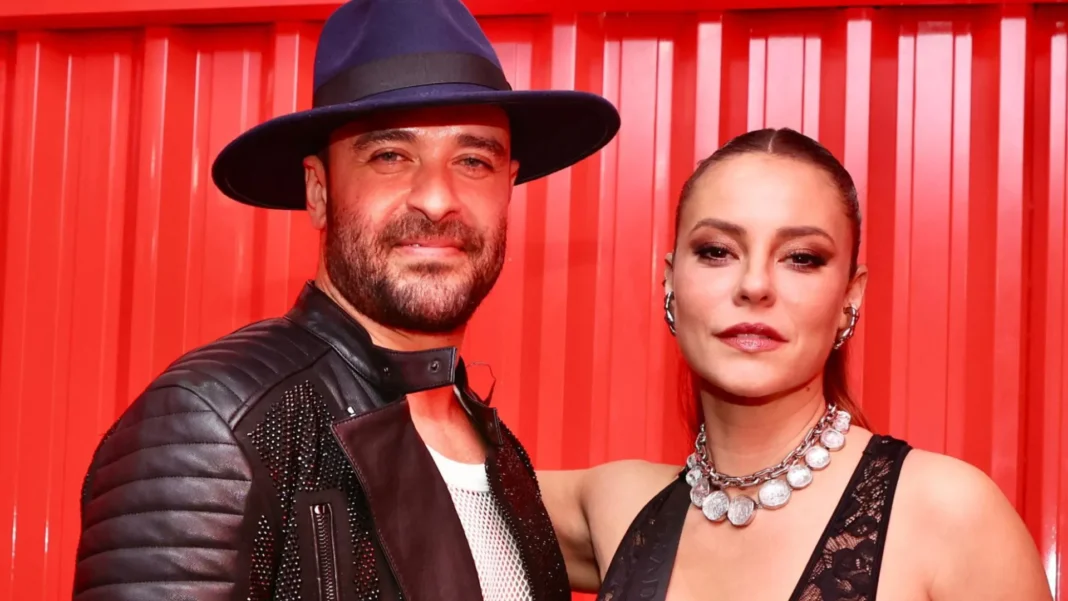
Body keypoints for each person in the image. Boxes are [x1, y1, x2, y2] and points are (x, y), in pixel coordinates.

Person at [70, 0, 619, 600]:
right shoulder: (216, 424)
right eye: (390, 156)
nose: (438, 199)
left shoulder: (497, 451)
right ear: (319, 190)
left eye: (473, 160)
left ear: (508, 186)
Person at [539, 128, 1052, 601]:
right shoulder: (616, 507)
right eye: (717, 251)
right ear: (671, 282)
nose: (755, 285)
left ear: (850, 297)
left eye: (802, 257)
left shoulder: (948, 515)